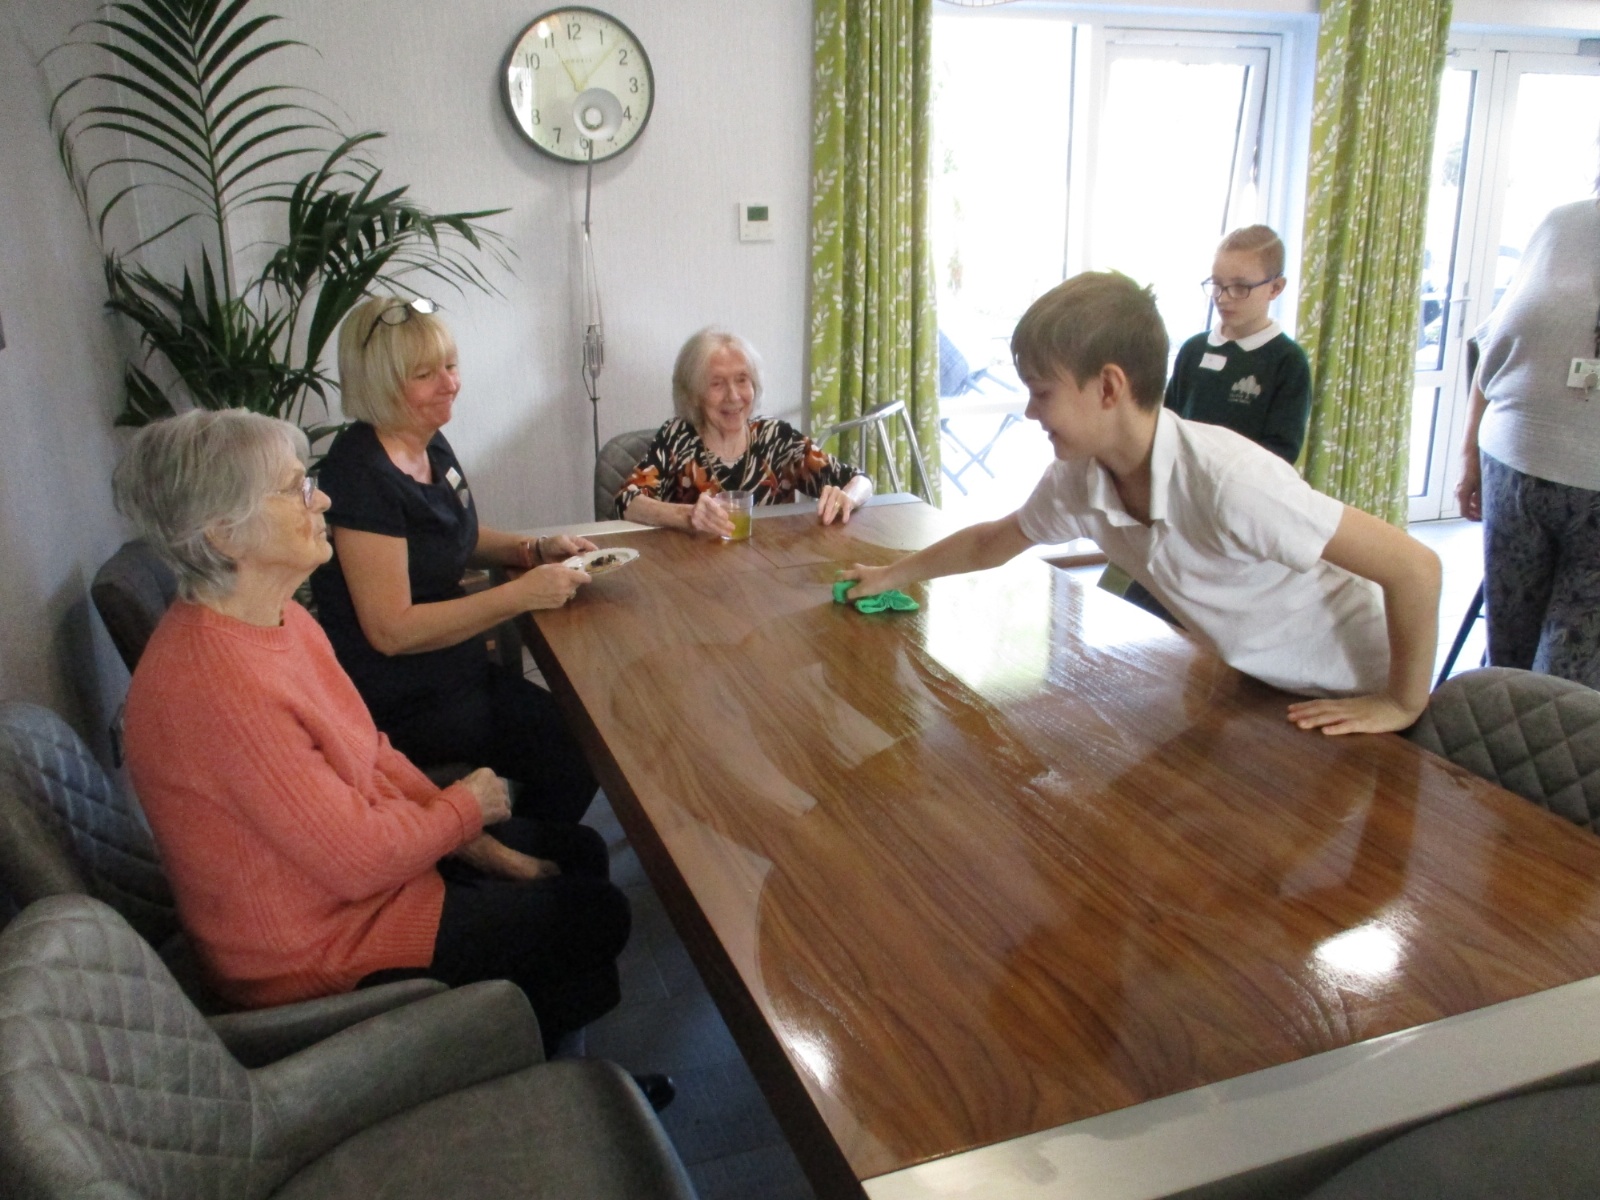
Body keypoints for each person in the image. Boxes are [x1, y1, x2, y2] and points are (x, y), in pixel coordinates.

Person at [117, 409, 631, 1052]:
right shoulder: (217, 687)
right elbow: (359, 863)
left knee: (577, 854)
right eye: (297, 489)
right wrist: (462, 812)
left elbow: (372, 752)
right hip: (318, 949)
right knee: (596, 914)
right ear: (224, 534)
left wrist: (478, 844)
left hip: (357, 885)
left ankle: (542, 1044)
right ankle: (523, 1068)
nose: (322, 500)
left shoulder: (277, 616)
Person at [842, 272, 1442, 737]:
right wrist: (892, 574)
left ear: (1108, 387)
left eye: (1042, 393)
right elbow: (991, 541)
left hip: (1352, 688)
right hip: (1262, 682)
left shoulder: (1230, 480)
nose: (1029, 411)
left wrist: (1401, 701)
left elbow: (1416, 567)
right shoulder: (1077, 478)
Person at [311, 297, 598, 824]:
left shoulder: (428, 441)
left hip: (455, 669)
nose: (450, 384)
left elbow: (449, 536)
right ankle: (517, 854)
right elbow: (391, 630)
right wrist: (519, 595)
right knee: (575, 752)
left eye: (450, 365)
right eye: (426, 375)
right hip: (402, 699)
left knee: (579, 742)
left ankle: (527, 841)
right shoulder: (361, 476)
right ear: (379, 383)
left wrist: (532, 549)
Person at [1456, 196, 1600, 688]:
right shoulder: (1562, 225)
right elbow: (1492, 347)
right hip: (1512, 472)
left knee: (1564, 680)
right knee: (1507, 658)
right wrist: (1468, 457)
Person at [616, 327, 874, 534]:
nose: (733, 396)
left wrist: (847, 497)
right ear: (693, 394)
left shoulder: (776, 438)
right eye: (717, 384)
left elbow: (860, 480)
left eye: (742, 380)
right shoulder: (678, 438)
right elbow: (627, 501)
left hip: (770, 569)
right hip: (695, 572)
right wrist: (687, 514)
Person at [1164, 224, 1312, 464]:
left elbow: (1281, 453)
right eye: (1217, 285)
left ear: (1275, 288)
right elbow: (1170, 424)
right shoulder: (1193, 350)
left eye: (1240, 287)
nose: (1223, 298)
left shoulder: (1288, 361)